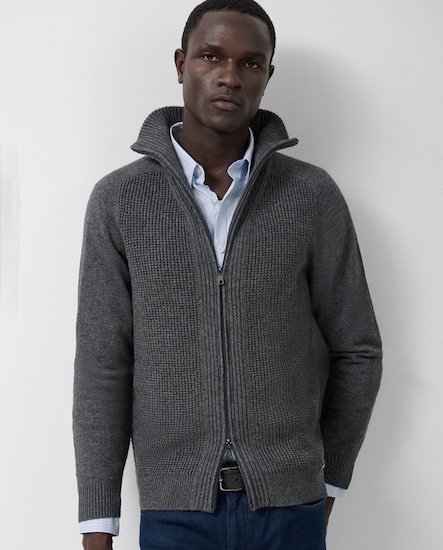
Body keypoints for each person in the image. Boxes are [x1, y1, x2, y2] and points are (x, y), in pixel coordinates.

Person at [73, 0, 382, 548]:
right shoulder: (119, 200)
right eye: (211, 56)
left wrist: (329, 481)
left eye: (250, 63)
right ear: (181, 63)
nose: (230, 76)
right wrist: (98, 521)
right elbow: (103, 363)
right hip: (175, 513)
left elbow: (358, 347)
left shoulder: (311, 195)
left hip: (290, 509)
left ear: (267, 75)